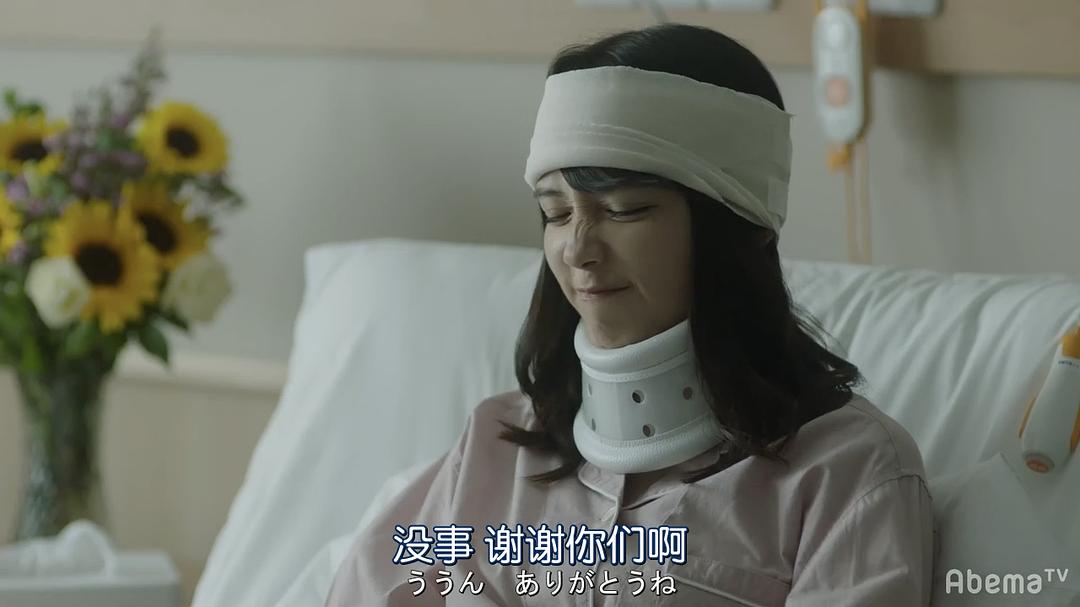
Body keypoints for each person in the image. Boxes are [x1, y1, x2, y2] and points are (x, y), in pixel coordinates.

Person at [326, 23, 933, 606]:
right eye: (557, 213)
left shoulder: (847, 469)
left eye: (624, 210)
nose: (577, 250)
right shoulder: (494, 446)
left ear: (734, 230)